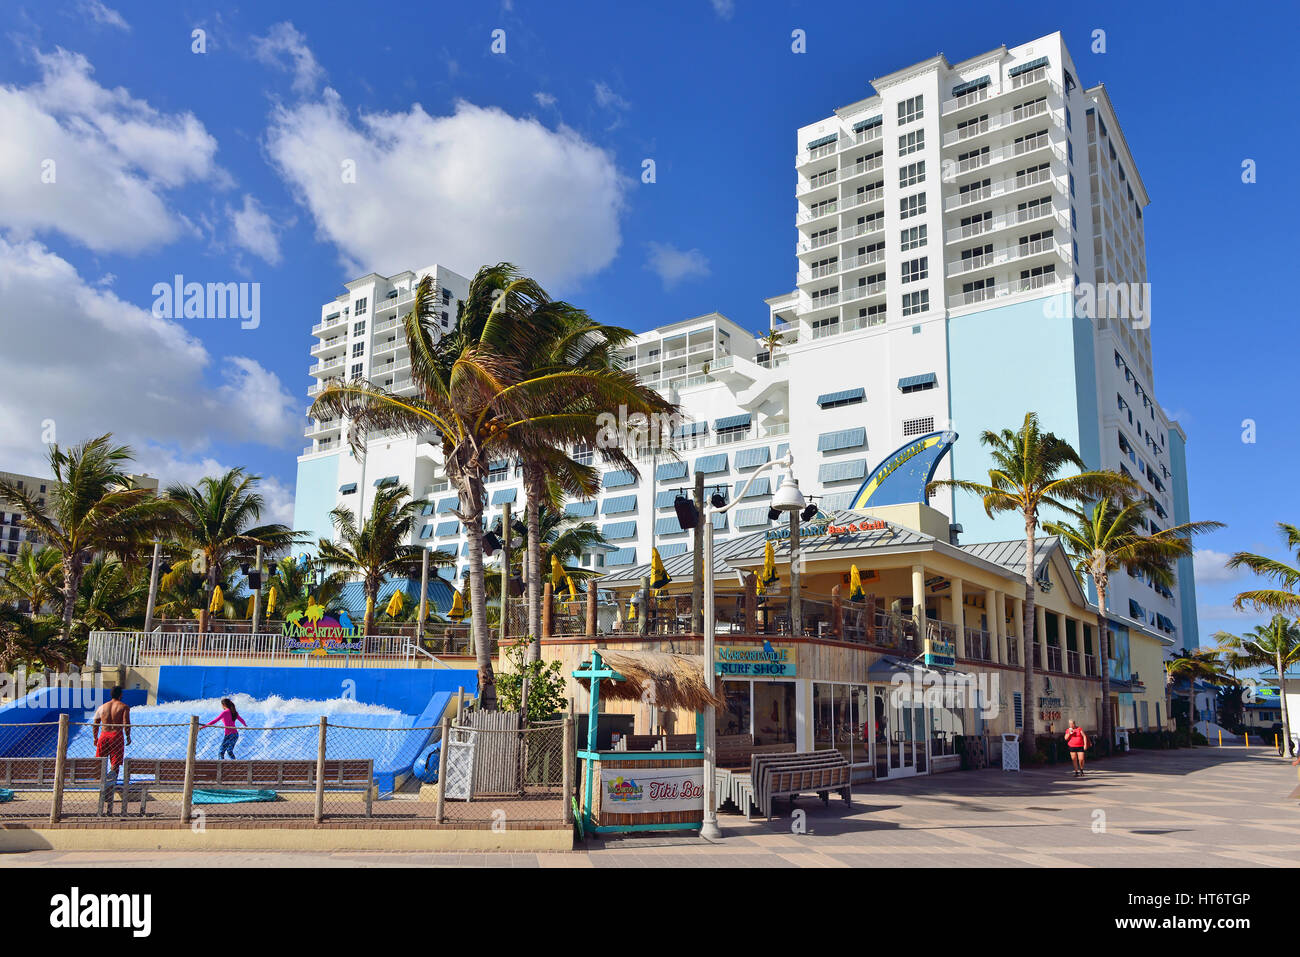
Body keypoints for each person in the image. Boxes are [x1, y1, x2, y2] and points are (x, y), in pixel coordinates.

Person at [92, 686, 131, 776]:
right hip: (116, 736)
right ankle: (111, 783)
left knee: (100, 761)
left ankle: (100, 782)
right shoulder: (123, 707)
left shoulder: (101, 707)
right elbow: (126, 723)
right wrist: (128, 736)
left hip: (103, 735)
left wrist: (95, 738)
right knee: (115, 762)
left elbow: (95, 724)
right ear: (120, 695)